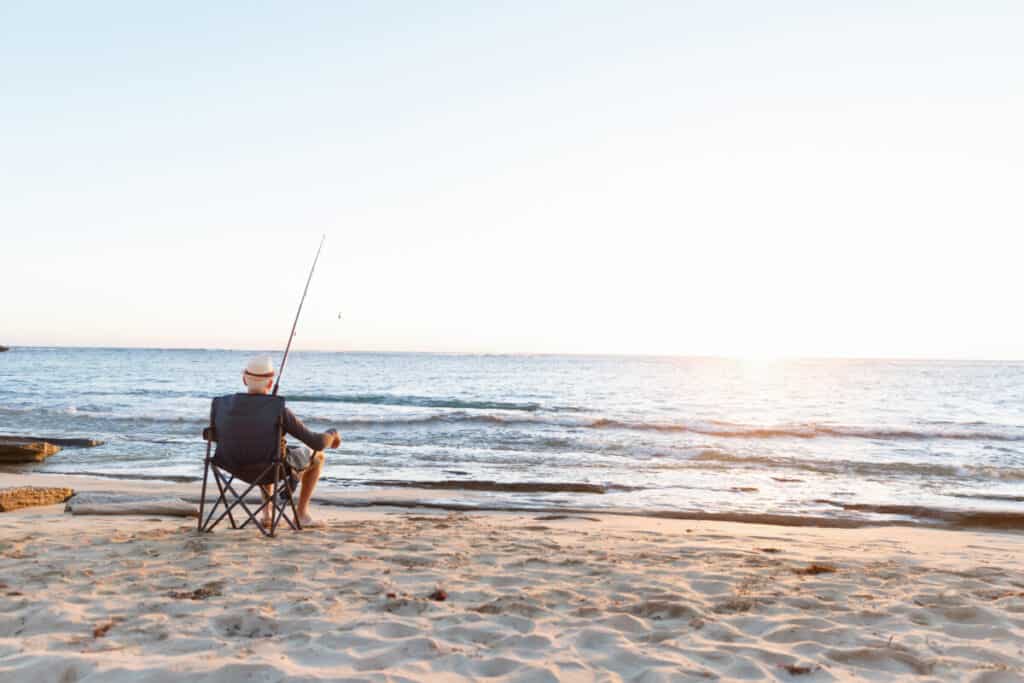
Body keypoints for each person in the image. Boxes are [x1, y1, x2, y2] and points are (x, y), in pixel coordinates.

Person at [241, 355, 341, 528]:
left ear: (244, 379)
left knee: (261, 453)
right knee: (317, 457)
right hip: (271, 466)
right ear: (270, 384)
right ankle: (301, 515)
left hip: (236, 464)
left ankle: (267, 513)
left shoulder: (225, 407)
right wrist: (331, 434)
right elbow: (316, 443)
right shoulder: (278, 410)